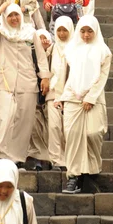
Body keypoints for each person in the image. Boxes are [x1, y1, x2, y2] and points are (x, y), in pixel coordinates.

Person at [0, 3, 50, 166]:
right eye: (10, 15)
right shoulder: (0, 32)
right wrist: (2, 6)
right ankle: (4, 156)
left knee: (24, 122)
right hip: (4, 82)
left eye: (16, 15)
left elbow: (41, 56)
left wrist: (45, 77)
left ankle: (17, 159)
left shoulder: (30, 32)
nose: (14, 18)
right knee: (7, 118)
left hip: (27, 82)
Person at [61, 15, 112, 194]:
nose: (86, 35)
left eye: (90, 31)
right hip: (72, 96)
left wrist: (91, 97)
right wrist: (61, 96)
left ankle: (91, 171)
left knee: (93, 133)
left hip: (95, 98)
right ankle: (73, 176)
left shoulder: (104, 52)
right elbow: (66, 75)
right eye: (82, 31)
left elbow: (102, 77)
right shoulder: (70, 50)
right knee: (72, 134)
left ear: (95, 31)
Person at [46, 16, 74, 170]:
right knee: (54, 127)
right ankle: (56, 159)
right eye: (59, 30)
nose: (62, 34)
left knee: (68, 128)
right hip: (53, 92)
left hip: (70, 94)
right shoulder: (51, 49)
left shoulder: (76, 49)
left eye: (65, 30)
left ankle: (70, 159)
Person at [29, 29, 53, 171]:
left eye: (45, 38)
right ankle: (38, 159)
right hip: (36, 98)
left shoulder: (56, 53)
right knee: (35, 128)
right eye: (40, 39)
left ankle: (49, 159)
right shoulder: (31, 54)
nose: (43, 41)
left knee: (49, 130)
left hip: (51, 98)